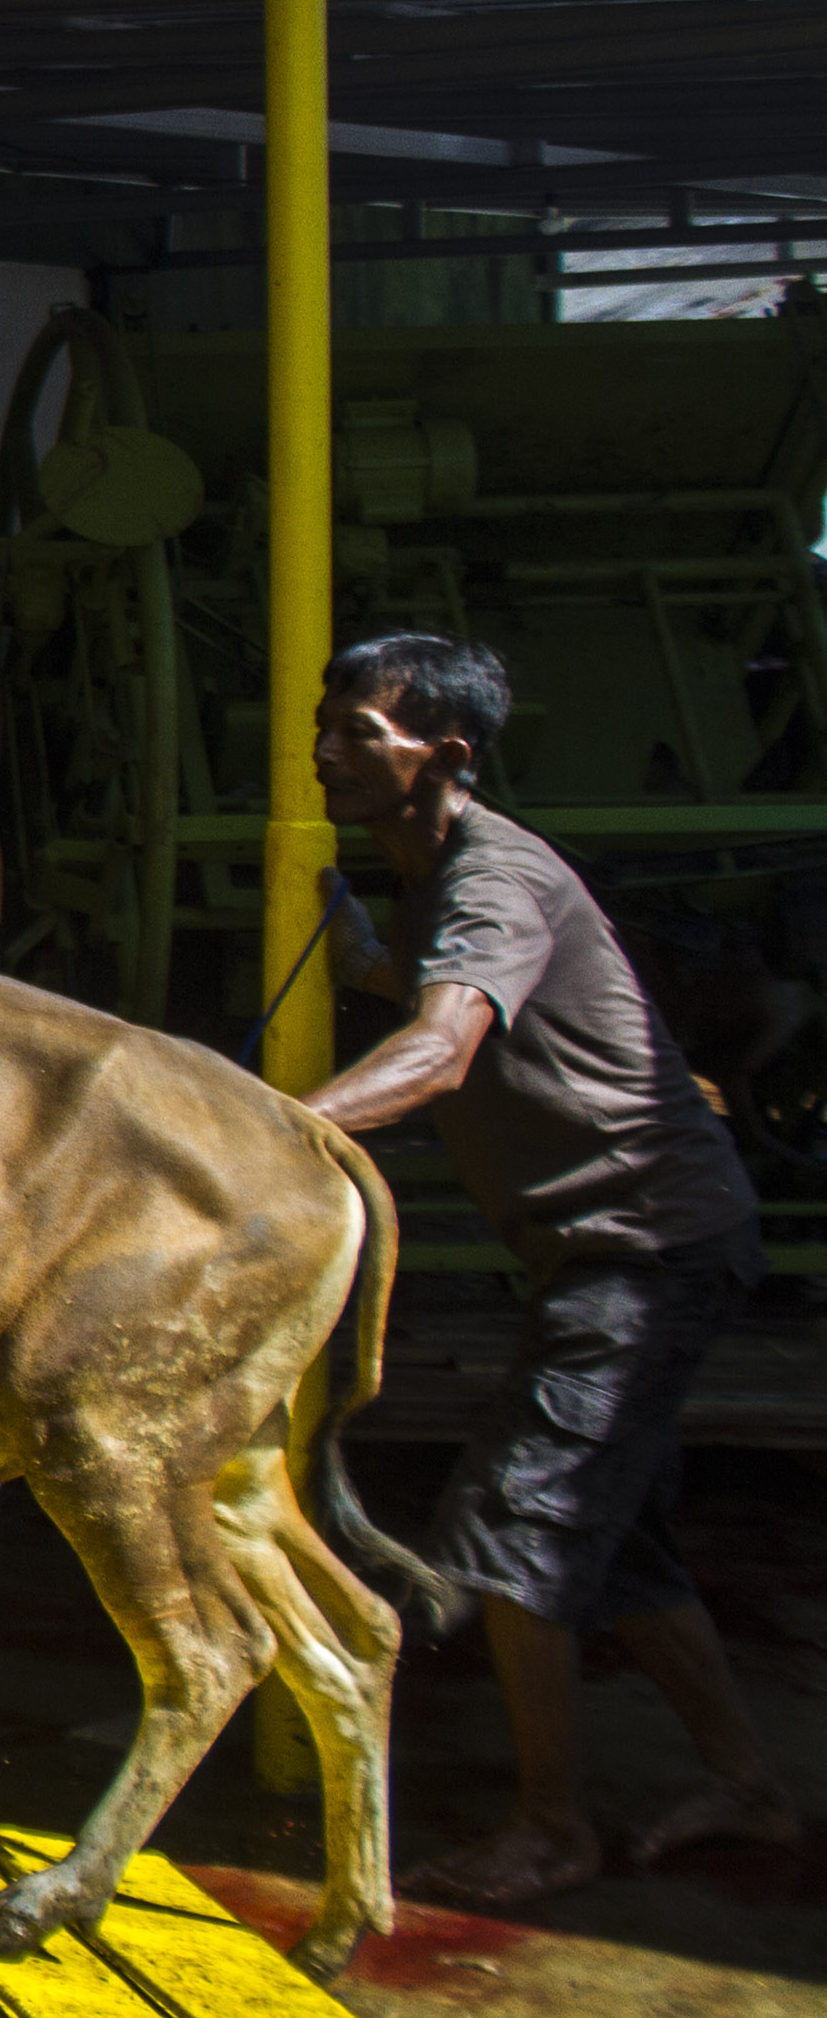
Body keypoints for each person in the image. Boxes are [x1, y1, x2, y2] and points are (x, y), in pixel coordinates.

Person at [297, 630, 794, 1907]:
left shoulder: (490, 877)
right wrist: (356, 953)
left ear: (443, 756)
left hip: (643, 1245)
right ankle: (745, 1784)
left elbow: (441, 1049)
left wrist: (261, 1134)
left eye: (359, 733)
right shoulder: (432, 876)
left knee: (513, 1528)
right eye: (323, 727)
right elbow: (433, 990)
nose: (323, 752)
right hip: (622, 1246)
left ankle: (548, 1827)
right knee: (614, 1546)